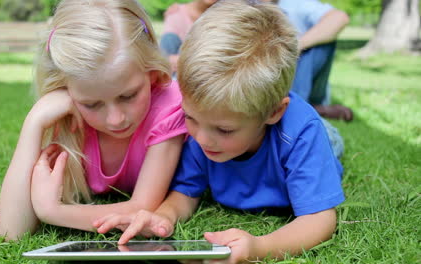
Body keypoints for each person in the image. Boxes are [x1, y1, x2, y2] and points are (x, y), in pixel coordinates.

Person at [92, 1, 345, 263]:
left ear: (273, 113)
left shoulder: (300, 133)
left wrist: (259, 248)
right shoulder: (201, 127)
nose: (200, 138)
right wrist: (163, 217)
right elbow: (186, 192)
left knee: (329, 137)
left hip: (310, 133)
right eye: (191, 118)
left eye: (224, 130)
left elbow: (319, 219)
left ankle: (328, 121)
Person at [0, 0, 187, 241]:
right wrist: (34, 122)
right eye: (92, 104)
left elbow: (142, 207)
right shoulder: (65, 114)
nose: (116, 119)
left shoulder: (168, 107)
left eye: (128, 95)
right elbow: (10, 232)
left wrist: (53, 212)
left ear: (151, 74)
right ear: (66, 90)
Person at [276, 0, 353, 121]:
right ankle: (309, 109)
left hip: (301, 81)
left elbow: (339, 18)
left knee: (322, 38)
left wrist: (296, 46)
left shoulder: (293, 4)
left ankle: (299, 107)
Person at [159, 0, 218, 75]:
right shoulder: (175, 13)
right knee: (170, 38)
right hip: (180, 71)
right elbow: (167, 59)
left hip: (204, 71)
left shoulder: (226, 15)